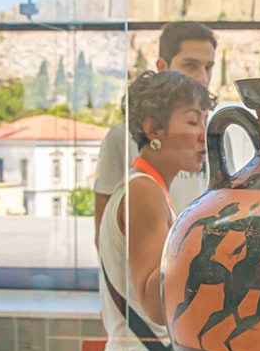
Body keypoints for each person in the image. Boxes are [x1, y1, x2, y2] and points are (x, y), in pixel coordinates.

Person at [84, 71, 215, 351]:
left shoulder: (152, 190)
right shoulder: (144, 193)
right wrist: (208, 243)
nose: (204, 134)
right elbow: (157, 302)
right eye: (192, 121)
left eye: (205, 121)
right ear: (153, 129)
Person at [93, 21, 218, 247]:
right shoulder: (121, 139)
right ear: (162, 66)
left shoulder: (215, 136)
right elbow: (105, 237)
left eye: (208, 67)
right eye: (191, 65)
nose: (202, 78)